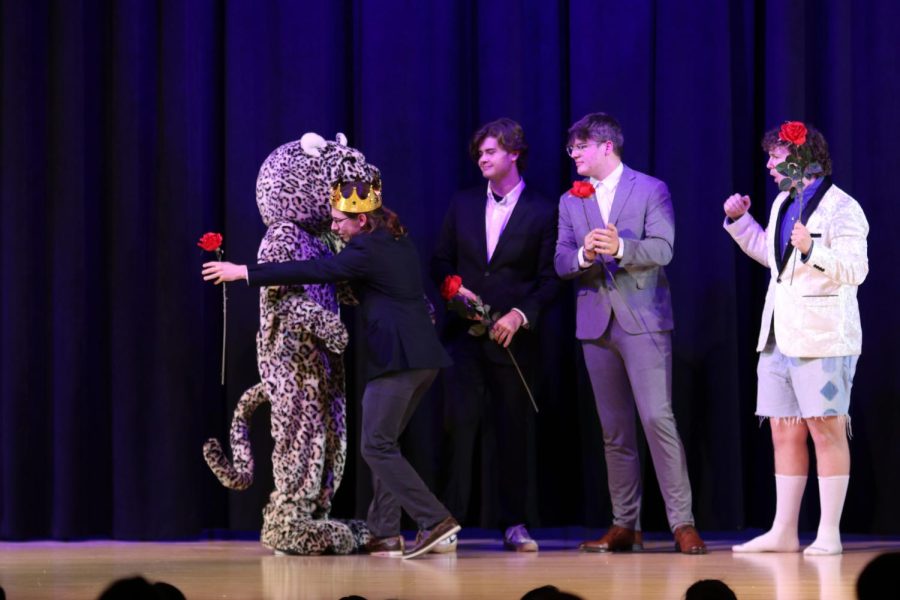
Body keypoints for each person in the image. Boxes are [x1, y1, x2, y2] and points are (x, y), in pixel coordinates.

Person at [203, 179, 459, 559]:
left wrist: (244, 272)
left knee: (375, 445)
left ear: (363, 219)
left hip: (399, 361)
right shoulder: (396, 240)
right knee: (386, 445)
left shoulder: (366, 249)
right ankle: (386, 532)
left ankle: (435, 520)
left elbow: (315, 269)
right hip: (422, 360)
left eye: (341, 221)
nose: (334, 226)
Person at [555, 112, 706, 554]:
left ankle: (682, 523)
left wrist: (620, 247)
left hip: (643, 320)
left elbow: (663, 248)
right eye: (572, 149)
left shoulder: (649, 188)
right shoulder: (571, 200)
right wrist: (584, 254)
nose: (574, 155)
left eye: (580, 147)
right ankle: (626, 524)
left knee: (658, 419)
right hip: (596, 324)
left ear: (606, 147)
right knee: (614, 430)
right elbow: (561, 261)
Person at [724, 122, 868, 556]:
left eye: (775, 155)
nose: (768, 164)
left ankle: (828, 533)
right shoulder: (785, 201)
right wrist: (738, 221)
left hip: (822, 338)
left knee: (826, 429)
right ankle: (783, 530)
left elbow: (855, 271)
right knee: (784, 431)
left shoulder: (843, 208)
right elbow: (775, 259)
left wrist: (812, 250)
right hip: (778, 334)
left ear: (801, 156)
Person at [430, 118, 559, 552]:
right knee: (457, 427)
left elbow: (549, 279)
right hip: (463, 337)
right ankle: (446, 523)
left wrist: (520, 315)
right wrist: (453, 289)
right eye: (480, 153)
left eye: (491, 152)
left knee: (513, 431)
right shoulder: (463, 203)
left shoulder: (543, 210)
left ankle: (514, 523)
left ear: (514, 153)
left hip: (514, 343)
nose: (482, 159)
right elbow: (441, 261)